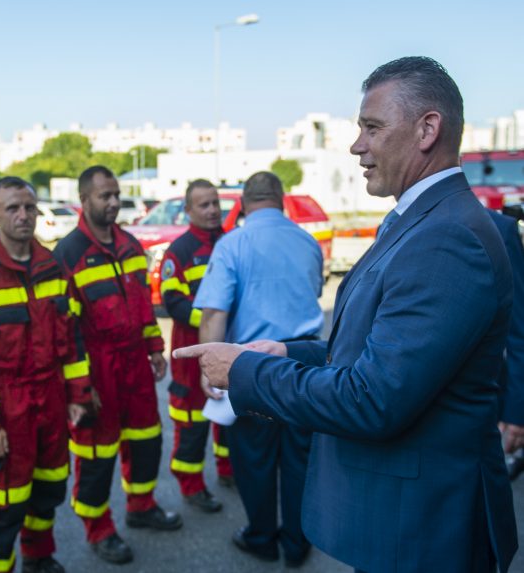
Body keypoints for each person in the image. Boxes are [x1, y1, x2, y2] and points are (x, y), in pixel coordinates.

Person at [175, 56, 518, 572]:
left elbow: (373, 399)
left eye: (372, 128)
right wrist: (289, 351)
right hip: (408, 523)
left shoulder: (445, 237)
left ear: (428, 129)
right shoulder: (420, 220)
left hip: (423, 530)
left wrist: (244, 370)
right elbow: (375, 346)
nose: (357, 145)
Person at [0, 176, 93, 573]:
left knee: (47, 491)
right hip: (6, 410)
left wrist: (78, 395)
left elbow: (70, 338)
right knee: (3, 504)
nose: (23, 215)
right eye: (12, 208)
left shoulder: (52, 267)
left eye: (29, 207)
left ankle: (38, 558)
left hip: (49, 401)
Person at [53, 165, 182, 564]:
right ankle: (99, 528)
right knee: (96, 454)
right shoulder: (68, 254)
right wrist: (79, 386)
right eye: (103, 196)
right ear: (84, 200)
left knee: (146, 440)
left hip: (134, 364)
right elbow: (65, 329)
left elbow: (143, 304)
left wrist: (155, 347)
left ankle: (141, 507)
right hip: (97, 367)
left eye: (116, 196)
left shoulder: (129, 245)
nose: (112, 203)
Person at [194, 171, 322, 566]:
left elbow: (215, 311)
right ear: (282, 200)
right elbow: (314, 293)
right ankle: (298, 544)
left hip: (252, 367)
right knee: (301, 459)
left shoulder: (232, 244)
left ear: (244, 204)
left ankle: (262, 538)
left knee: (254, 457)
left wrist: (207, 368)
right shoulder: (308, 241)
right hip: (304, 361)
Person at [160, 179, 233, 512]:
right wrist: (212, 323)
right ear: (187, 211)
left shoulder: (232, 243)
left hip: (230, 345)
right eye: (204, 205)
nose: (213, 210)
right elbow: (172, 302)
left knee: (229, 415)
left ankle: (229, 471)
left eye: (215, 203)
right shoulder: (180, 251)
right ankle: (191, 486)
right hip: (192, 354)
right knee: (191, 423)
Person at [491, 210, 524, 458]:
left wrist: (516, 412)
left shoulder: (499, 229)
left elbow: (519, 330)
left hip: (489, 412)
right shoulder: (391, 224)